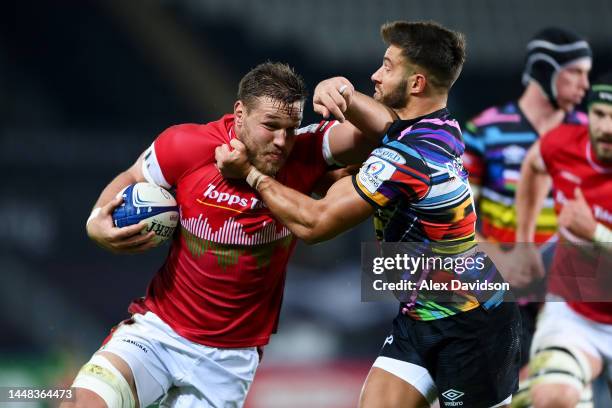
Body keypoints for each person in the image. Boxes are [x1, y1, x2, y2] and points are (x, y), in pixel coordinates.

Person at [216, 21, 521, 408]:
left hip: (472, 324)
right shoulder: (440, 128)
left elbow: (315, 223)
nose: (376, 75)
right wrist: (342, 88)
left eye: (388, 66)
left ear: (416, 84)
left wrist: (251, 174)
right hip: (420, 313)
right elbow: (386, 125)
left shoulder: (409, 157)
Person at [63, 62, 386, 408]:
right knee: (83, 402)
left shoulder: (307, 149)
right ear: (240, 113)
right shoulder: (185, 145)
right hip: (158, 333)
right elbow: (131, 176)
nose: (282, 141)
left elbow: (392, 133)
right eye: (271, 126)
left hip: (229, 362)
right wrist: (96, 220)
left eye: (291, 128)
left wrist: (345, 96)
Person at [461, 27, 592, 367]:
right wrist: (501, 264)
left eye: (587, 74)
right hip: (501, 292)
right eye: (575, 72)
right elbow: (456, 219)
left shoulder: (592, 136)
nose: (584, 85)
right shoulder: (483, 131)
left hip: (570, 295)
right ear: (546, 70)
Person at [511, 74, 612, 408]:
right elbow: (534, 165)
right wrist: (524, 240)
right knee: (555, 397)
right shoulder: (564, 144)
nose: (606, 128)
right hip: (574, 313)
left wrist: (594, 234)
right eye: (599, 114)